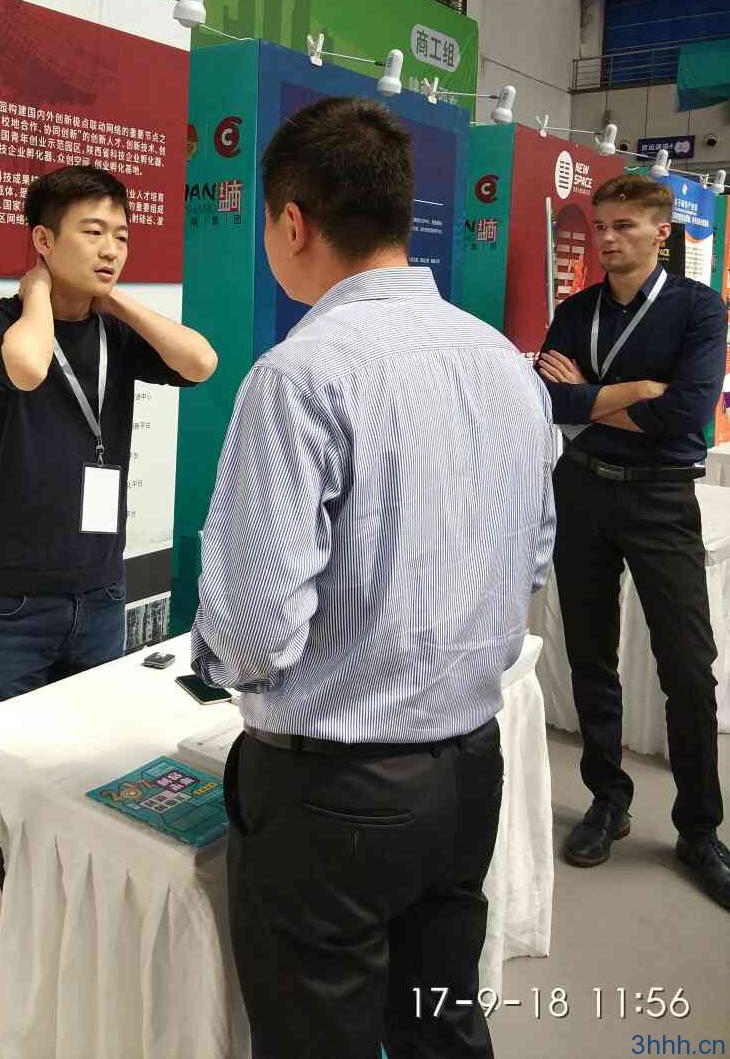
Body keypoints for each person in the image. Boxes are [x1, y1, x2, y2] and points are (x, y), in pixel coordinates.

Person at [191, 95, 556, 1059]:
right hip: (469, 767)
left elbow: (255, 632)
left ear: (293, 223)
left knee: (321, 1037)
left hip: (333, 794)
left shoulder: (300, 374)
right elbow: (532, 557)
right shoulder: (506, 365)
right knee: (442, 1024)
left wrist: (219, 661)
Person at [0, 164, 218, 710]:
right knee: (3, 754)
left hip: (100, 593)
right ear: (44, 240)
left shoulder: (112, 332)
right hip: (11, 602)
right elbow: (28, 366)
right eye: (93, 232)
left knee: (86, 749)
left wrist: (115, 302)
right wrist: (38, 292)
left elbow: (201, 363)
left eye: (121, 237)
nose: (111, 250)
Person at [537, 174, 730, 909]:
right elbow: (549, 399)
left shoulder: (697, 309)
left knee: (688, 666)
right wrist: (637, 392)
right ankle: (607, 799)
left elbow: (687, 416)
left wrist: (590, 395)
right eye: (601, 226)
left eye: (625, 226)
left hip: (660, 496)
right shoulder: (576, 309)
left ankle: (699, 829)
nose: (608, 238)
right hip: (583, 488)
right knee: (590, 655)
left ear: (661, 234)